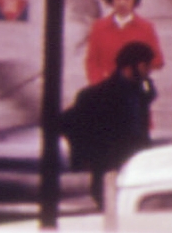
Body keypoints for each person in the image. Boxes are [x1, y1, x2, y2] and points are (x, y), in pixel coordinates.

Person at [61, 42, 156, 190]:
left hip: (135, 165)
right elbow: (72, 125)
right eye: (145, 66)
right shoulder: (98, 95)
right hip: (109, 168)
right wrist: (90, 159)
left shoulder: (140, 93)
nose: (149, 71)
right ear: (131, 66)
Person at [82, 0, 165, 88]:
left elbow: (157, 60)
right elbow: (92, 61)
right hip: (106, 89)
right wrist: (98, 84)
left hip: (134, 90)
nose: (122, 2)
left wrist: (137, 72)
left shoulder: (146, 28)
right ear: (112, 0)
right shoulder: (99, 27)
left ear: (134, 1)